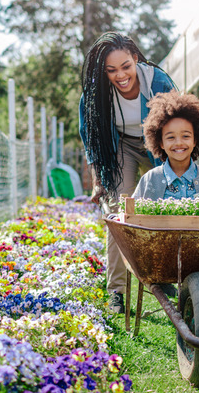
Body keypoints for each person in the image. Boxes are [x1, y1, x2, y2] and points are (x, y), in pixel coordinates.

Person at [78, 32, 176, 313]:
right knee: (119, 213)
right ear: (103, 71)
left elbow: (178, 124)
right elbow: (91, 138)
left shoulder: (157, 81)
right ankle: (116, 293)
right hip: (120, 145)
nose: (120, 75)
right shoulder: (96, 94)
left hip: (156, 143)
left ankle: (161, 275)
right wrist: (98, 182)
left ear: (135, 59)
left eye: (125, 66)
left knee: (166, 203)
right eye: (111, 70)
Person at [133, 91, 199, 201]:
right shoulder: (150, 179)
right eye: (170, 137)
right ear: (161, 143)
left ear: (195, 140)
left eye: (185, 136)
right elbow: (131, 214)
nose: (178, 143)